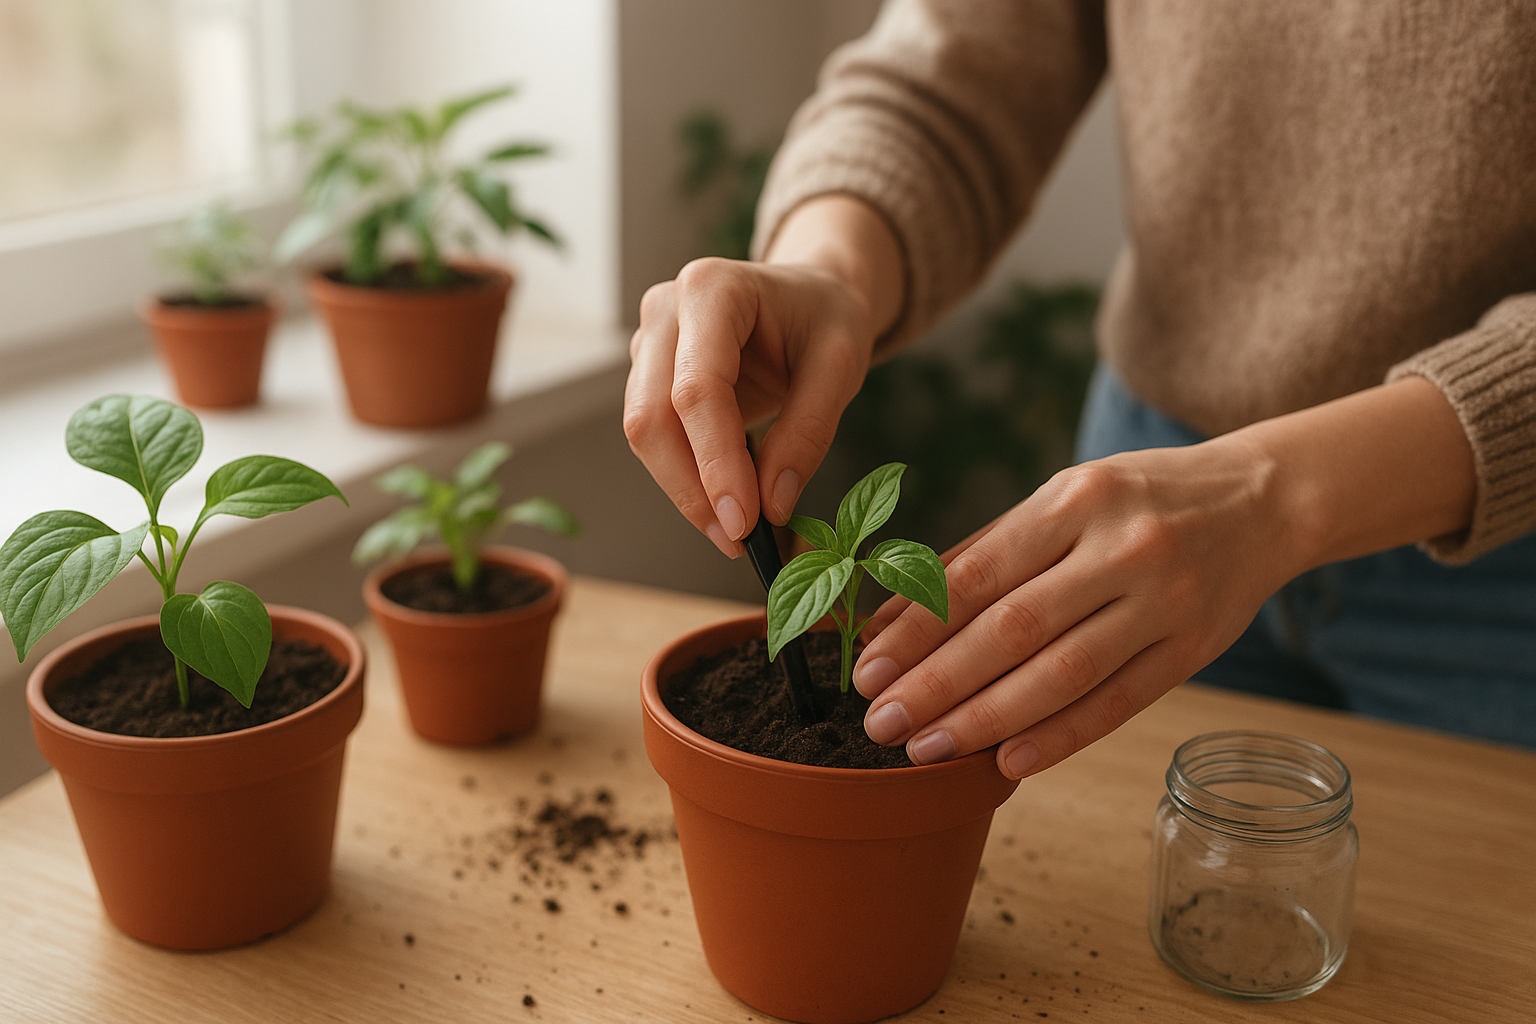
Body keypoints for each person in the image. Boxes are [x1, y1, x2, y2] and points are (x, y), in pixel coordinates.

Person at [623, 0, 1536, 778]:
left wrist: (1281, 495)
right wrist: (828, 268)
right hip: (1148, 509)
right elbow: (949, 74)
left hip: (1500, 568)